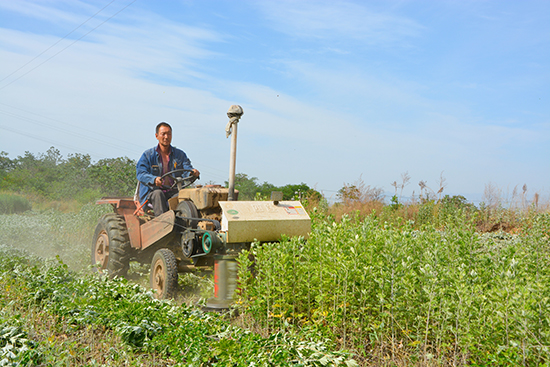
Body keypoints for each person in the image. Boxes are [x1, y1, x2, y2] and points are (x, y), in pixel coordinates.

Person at [136, 122, 200, 216]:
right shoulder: (148, 155)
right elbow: (140, 174)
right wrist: (153, 179)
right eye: (163, 134)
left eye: (169, 134)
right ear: (157, 136)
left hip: (173, 191)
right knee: (158, 194)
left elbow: (187, 170)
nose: (166, 137)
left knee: (184, 196)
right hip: (153, 193)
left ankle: (185, 223)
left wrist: (192, 173)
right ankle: (162, 223)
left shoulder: (180, 155)